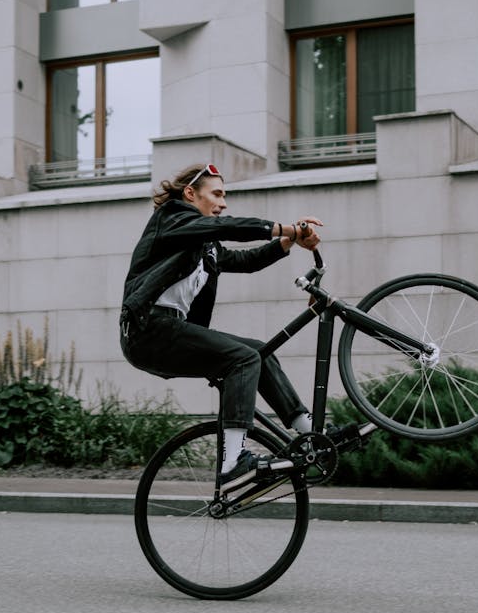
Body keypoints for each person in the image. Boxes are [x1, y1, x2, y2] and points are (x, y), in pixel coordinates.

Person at [120, 162, 329, 491]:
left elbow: (244, 261)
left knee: (259, 351)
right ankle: (233, 462)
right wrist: (289, 228)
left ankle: (311, 433)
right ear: (191, 193)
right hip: (147, 329)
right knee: (243, 358)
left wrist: (289, 243)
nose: (223, 203)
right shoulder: (172, 218)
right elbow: (230, 227)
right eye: (216, 194)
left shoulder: (204, 244)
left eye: (224, 196)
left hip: (170, 331)